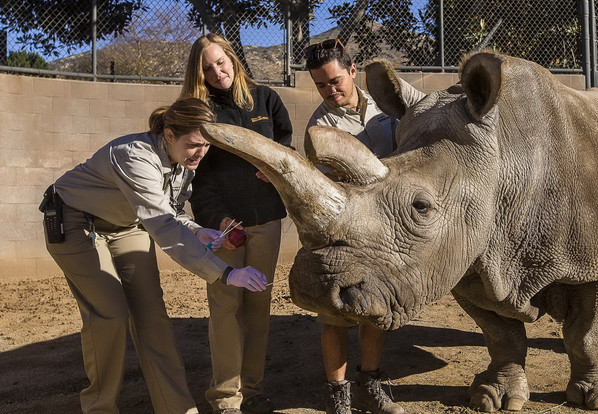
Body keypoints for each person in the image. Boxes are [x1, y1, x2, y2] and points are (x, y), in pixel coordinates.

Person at [41, 97, 268, 414]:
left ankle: (177, 409)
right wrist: (227, 274)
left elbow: (171, 212)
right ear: (169, 134)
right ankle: (99, 408)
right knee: (110, 313)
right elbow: (162, 226)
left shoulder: (183, 159)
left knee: (153, 318)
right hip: (77, 222)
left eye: (206, 145)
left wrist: (197, 230)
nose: (200, 153)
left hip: (128, 226)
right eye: (193, 145)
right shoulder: (135, 156)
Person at [180, 33, 293, 414]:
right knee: (225, 307)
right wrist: (217, 220)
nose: (217, 72)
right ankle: (226, 398)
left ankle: (254, 388)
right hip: (225, 226)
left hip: (266, 220)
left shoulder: (266, 100)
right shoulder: (200, 111)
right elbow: (198, 177)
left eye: (221, 62)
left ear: (233, 59)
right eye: (207, 67)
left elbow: (286, 149)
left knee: (258, 306)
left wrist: (276, 169)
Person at [305, 38, 411, 414]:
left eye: (335, 80)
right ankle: (339, 396)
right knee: (336, 312)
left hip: (390, 226)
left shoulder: (388, 106)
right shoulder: (320, 124)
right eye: (320, 85)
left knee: (376, 307)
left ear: (352, 71)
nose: (330, 90)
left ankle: (371, 384)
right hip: (347, 230)